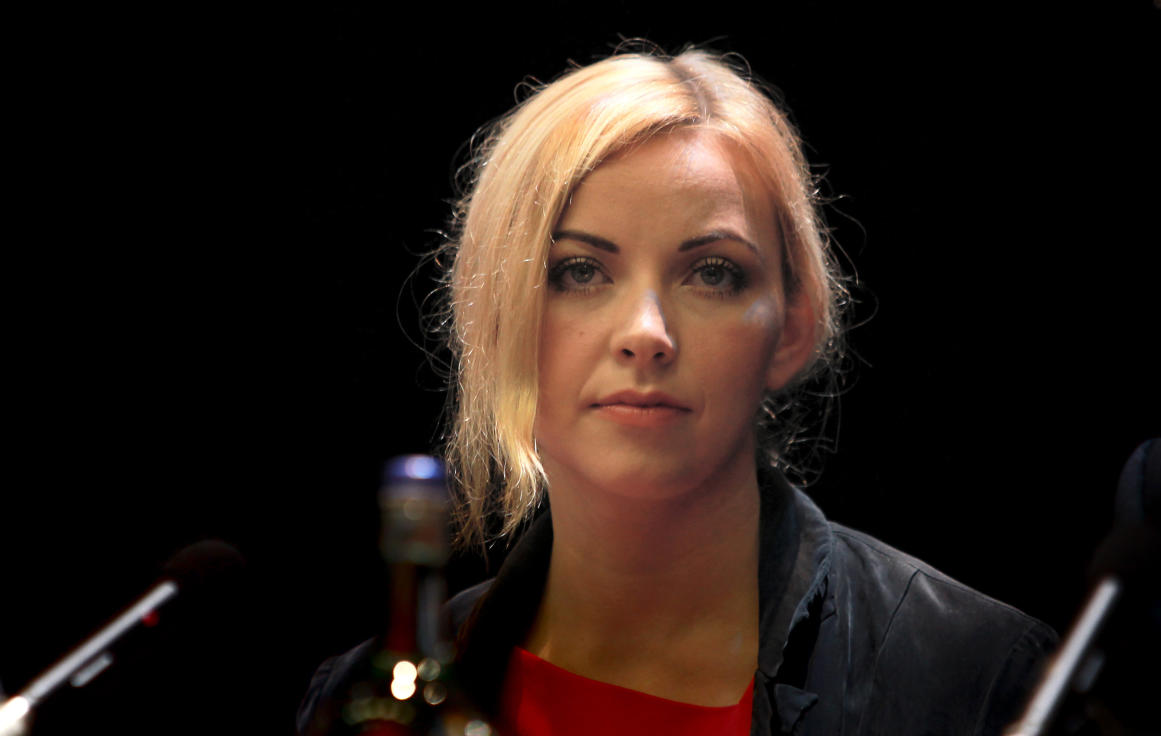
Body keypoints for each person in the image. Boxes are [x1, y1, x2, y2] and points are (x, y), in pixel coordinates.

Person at [298, 47, 1058, 736]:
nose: (645, 332)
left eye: (712, 272)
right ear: (491, 317)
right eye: (580, 271)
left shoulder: (981, 680)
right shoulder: (363, 707)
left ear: (792, 327)